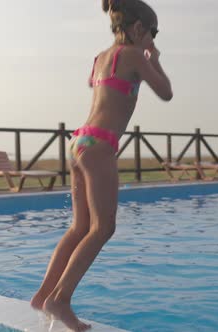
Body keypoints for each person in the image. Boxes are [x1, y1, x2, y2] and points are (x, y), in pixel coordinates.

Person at [30, 0, 172, 330]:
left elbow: (106, 92)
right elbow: (164, 92)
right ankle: (59, 300)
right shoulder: (135, 54)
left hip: (79, 141)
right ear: (138, 29)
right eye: (153, 32)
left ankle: (42, 295)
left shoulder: (100, 58)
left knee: (80, 227)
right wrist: (156, 60)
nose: (153, 38)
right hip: (99, 147)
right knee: (103, 228)